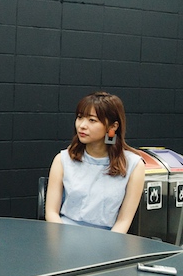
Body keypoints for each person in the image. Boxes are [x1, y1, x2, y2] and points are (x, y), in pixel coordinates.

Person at [45, 92, 145, 233]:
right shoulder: (63, 159)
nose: (82, 125)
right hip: (64, 234)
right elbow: (51, 213)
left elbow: (124, 221)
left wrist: (109, 245)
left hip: (108, 239)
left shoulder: (134, 165)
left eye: (92, 120)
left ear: (112, 127)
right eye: (80, 117)